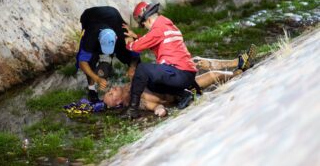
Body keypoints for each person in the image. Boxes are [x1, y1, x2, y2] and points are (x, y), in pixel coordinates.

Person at [103, 46, 257, 117]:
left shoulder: (130, 85)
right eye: (111, 93)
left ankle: (236, 62)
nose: (112, 88)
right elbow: (155, 106)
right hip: (181, 92)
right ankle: (237, 70)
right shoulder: (139, 102)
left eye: (109, 90)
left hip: (174, 80)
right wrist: (159, 111)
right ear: (118, 102)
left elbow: (139, 63)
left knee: (195, 62)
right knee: (211, 76)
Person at [122, 1, 200, 118]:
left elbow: (136, 47)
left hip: (179, 73)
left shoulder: (158, 29)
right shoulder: (166, 25)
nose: (144, 28)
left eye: (143, 25)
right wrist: (136, 37)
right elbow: (152, 41)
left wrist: (128, 41)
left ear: (148, 20)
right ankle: (185, 94)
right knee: (151, 82)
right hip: (185, 74)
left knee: (142, 69)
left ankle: (132, 109)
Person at [76, 6, 140, 102]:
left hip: (112, 15)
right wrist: (96, 78)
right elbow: (82, 62)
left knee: (130, 57)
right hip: (90, 17)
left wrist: (133, 67)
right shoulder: (90, 36)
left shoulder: (123, 33)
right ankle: (91, 90)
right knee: (90, 60)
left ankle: (139, 84)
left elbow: (136, 50)